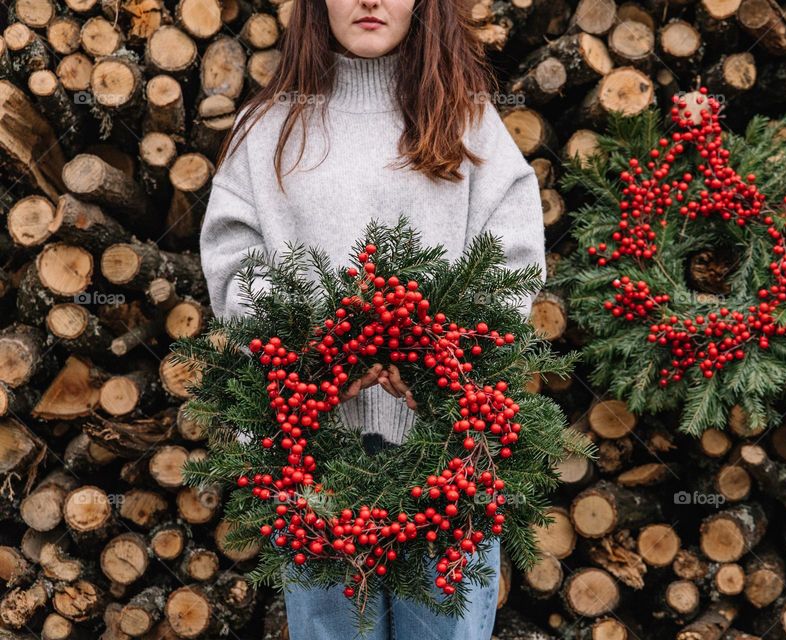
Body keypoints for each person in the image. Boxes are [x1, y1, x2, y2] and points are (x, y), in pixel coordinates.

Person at [198, 0, 546, 638]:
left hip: (447, 457)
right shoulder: (269, 127)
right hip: (311, 460)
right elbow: (233, 257)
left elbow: (513, 257)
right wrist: (319, 353)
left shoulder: (467, 120)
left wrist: (442, 363)